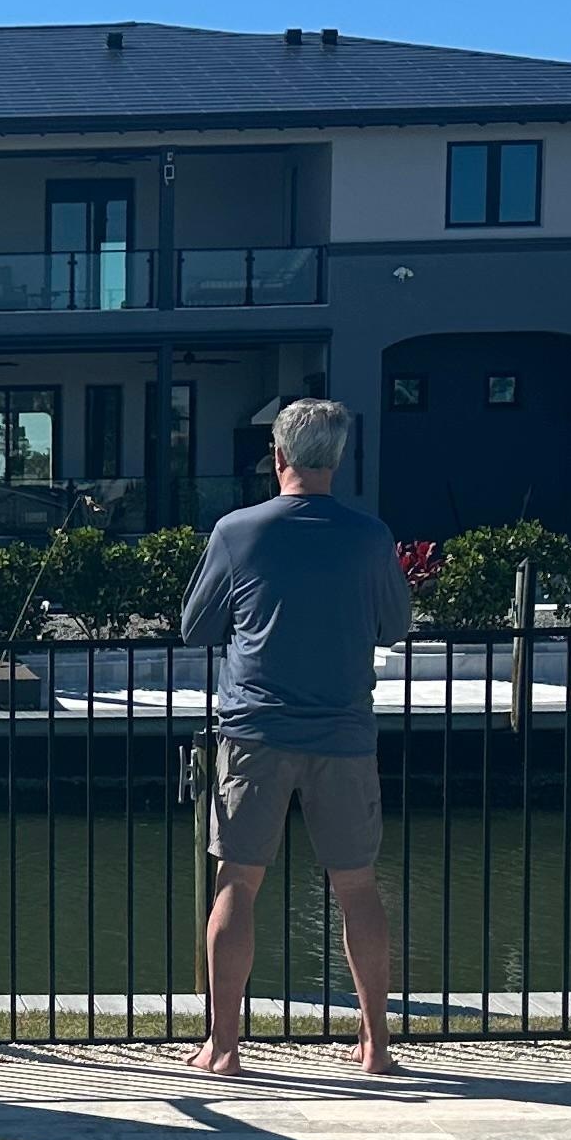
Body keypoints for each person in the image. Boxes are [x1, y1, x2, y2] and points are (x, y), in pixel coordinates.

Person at [178, 397, 414, 1077]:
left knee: (236, 884)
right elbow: (394, 624)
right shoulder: (370, 537)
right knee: (357, 887)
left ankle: (225, 1047)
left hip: (255, 729)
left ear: (277, 456)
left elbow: (196, 625)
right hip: (344, 731)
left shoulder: (237, 531)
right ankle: (376, 1045)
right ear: (338, 458)